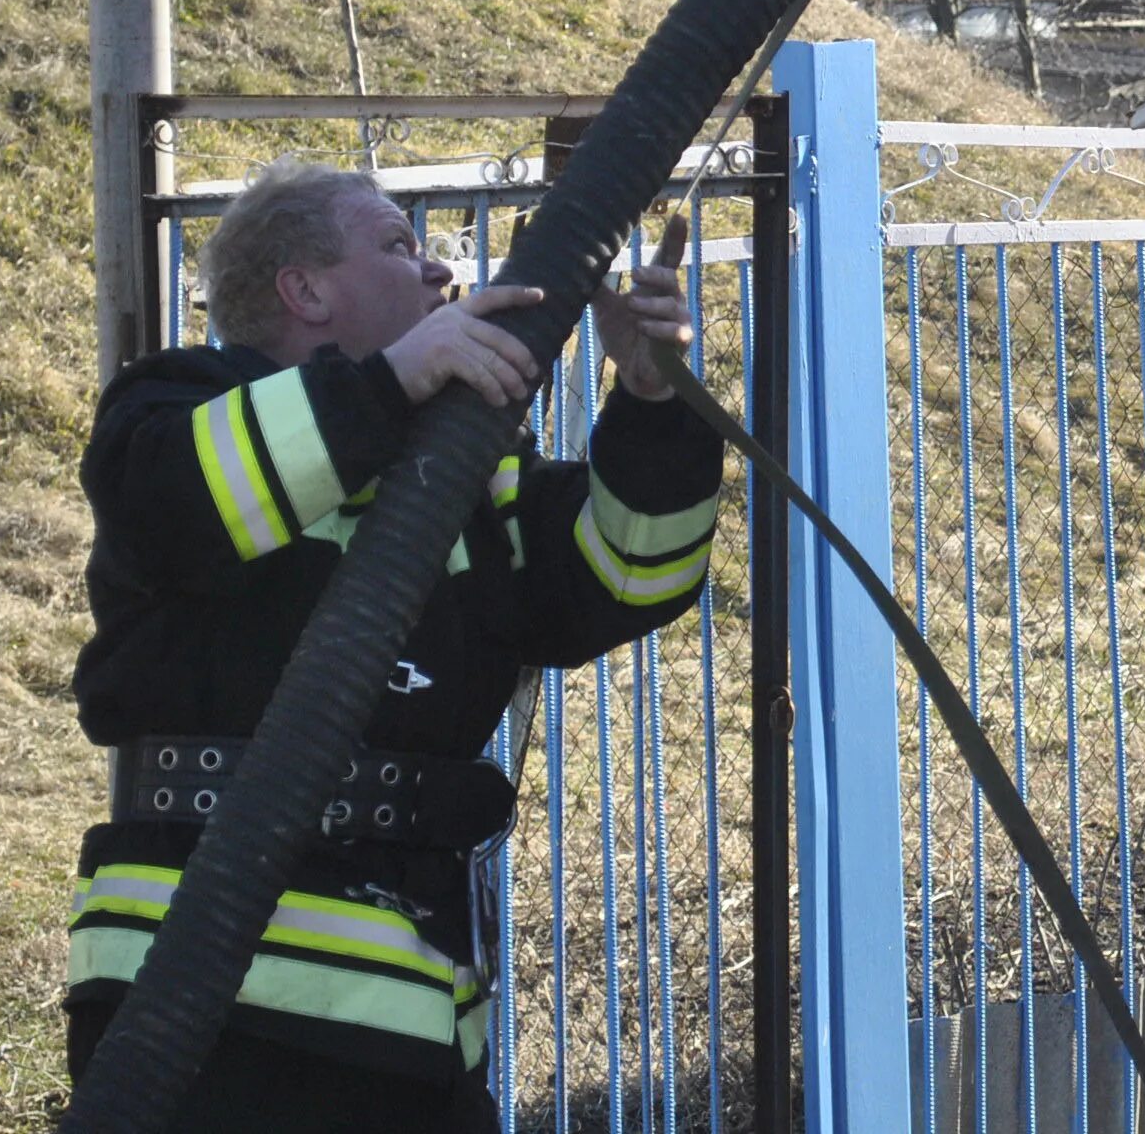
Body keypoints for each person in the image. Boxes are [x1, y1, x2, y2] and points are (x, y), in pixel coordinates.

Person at [64, 159, 724, 1130]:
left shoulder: (467, 475)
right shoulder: (182, 404)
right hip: (202, 1000)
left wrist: (654, 400)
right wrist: (391, 384)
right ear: (305, 289)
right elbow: (176, 498)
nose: (440, 277)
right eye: (399, 247)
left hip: (409, 1013)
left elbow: (632, 575)